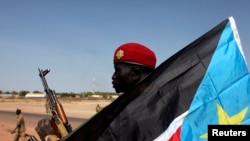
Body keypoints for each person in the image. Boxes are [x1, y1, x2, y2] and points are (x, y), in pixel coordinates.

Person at [35, 42, 157, 141]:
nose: (113, 76)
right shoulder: (151, 104)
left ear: (135, 73)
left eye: (117, 71)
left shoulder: (136, 115)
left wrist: (50, 137)